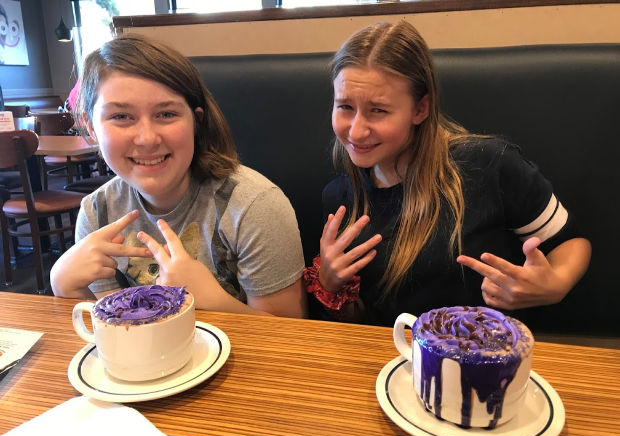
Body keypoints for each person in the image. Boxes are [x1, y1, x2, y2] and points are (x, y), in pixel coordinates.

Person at [304, 21, 591, 325]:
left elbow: (571, 241)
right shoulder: (338, 197)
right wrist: (329, 284)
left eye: (378, 110)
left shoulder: (489, 164)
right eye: (345, 107)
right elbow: (359, 322)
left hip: (484, 355)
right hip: (393, 362)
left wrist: (554, 285)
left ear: (420, 109)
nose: (357, 131)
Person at [50, 34, 307, 318]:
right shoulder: (97, 214)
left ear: (195, 121)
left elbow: (289, 336)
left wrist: (210, 299)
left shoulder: (253, 206)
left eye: (166, 114)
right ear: (91, 126)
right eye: (121, 117)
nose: (147, 139)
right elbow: (118, 331)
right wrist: (65, 286)